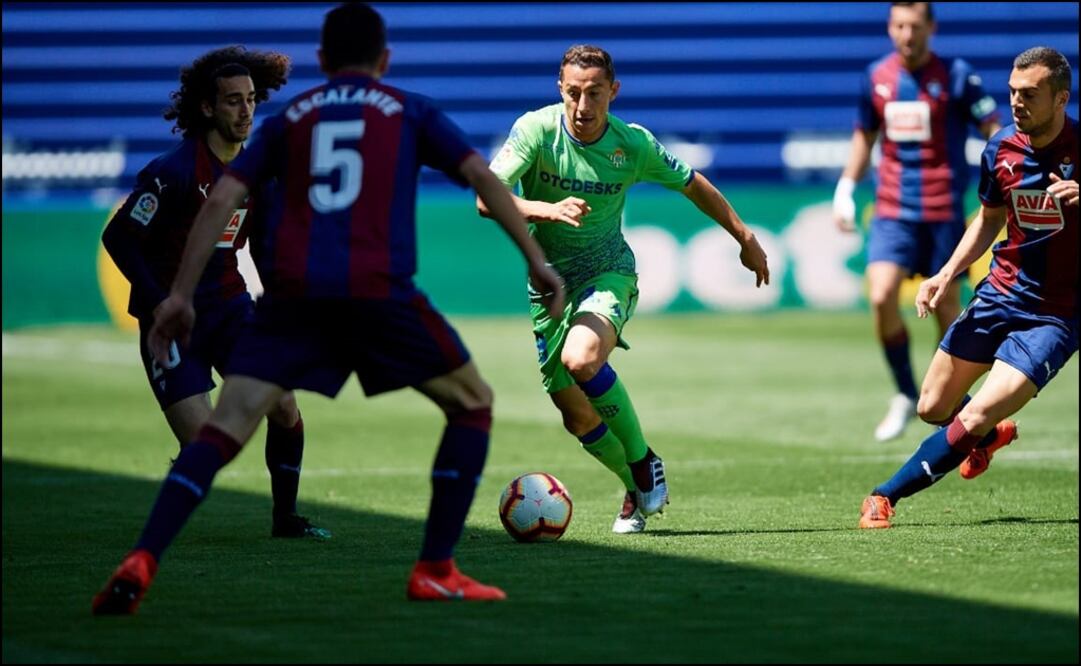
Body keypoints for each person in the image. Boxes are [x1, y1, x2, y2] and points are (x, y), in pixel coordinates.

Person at [91, 2, 563, 613]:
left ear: (321, 61)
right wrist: (536, 259)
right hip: (379, 291)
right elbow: (483, 179)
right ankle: (435, 568)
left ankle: (144, 558)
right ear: (384, 60)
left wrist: (178, 294)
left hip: (296, 300)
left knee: (224, 429)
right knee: (472, 403)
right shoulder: (411, 109)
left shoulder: (290, 119)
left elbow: (223, 202)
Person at [480, 44, 769, 534]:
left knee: (582, 357)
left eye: (594, 93)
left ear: (613, 92)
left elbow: (692, 183)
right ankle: (636, 487)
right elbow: (488, 196)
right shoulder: (535, 130)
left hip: (606, 271)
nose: (582, 106)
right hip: (548, 285)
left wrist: (743, 235)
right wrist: (545, 210)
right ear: (560, 89)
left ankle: (643, 462)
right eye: (573, 92)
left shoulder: (630, 144)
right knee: (574, 413)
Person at [101, 45, 329, 540]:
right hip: (172, 323)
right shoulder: (173, 171)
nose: (245, 110)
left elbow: (266, 245)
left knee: (285, 405)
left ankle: (286, 519)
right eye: (232, 101)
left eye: (250, 100)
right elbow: (118, 238)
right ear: (207, 108)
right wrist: (159, 300)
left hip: (230, 308)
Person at [859, 46, 1077, 529]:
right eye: (1014, 93)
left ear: (1061, 98)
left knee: (973, 413)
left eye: (1031, 94)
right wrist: (943, 273)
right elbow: (989, 219)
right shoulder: (1000, 148)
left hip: (1057, 314)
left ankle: (884, 495)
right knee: (931, 406)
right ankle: (987, 437)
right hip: (1002, 291)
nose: (1018, 103)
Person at [833, 1, 1001, 442]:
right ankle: (907, 393)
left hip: (944, 211)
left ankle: (944, 396)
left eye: (915, 26)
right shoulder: (877, 77)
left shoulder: (959, 76)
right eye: (899, 26)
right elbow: (863, 135)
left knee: (947, 309)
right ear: (891, 28)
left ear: (931, 27)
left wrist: (1003, 168)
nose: (907, 34)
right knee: (882, 294)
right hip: (892, 211)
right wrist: (847, 187)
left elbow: (993, 127)